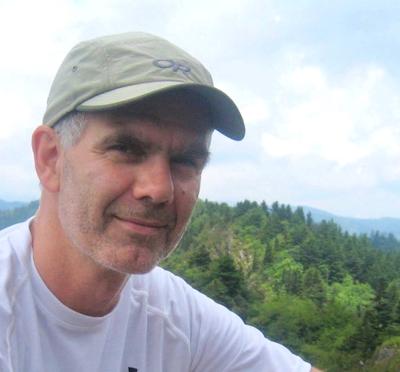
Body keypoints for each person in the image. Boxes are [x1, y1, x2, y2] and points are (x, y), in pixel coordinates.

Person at [0, 32, 321, 371]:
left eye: (186, 160)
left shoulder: (175, 318)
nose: (159, 189)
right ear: (50, 159)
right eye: (126, 148)